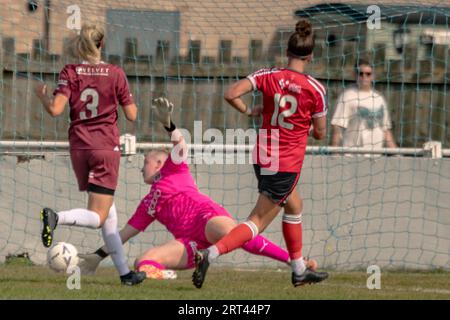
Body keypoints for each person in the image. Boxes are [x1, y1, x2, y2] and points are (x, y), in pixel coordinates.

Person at [77, 98, 317, 279]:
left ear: (160, 163)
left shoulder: (173, 169)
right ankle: (166, 277)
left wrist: (169, 125)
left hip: (207, 219)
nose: (142, 169)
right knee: (144, 262)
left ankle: (295, 262)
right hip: (189, 244)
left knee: (227, 232)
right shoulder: (147, 204)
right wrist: (97, 256)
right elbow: (123, 235)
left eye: (145, 162)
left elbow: (181, 143)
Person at [192, 19, 329, 289]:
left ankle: (299, 269)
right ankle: (211, 253)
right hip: (286, 162)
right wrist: (306, 127)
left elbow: (231, 93)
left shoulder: (267, 75)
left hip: (263, 155)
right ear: (311, 55)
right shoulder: (316, 89)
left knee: (294, 205)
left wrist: (249, 110)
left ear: (287, 52)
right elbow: (321, 132)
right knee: (257, 220)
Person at [34, 24, 145, 285]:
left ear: (78, 46)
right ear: (102, 44)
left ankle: (125, 274)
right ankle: (55, 217)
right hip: (105, 148)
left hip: (80, 149)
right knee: (97, 217)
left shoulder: (69, 72)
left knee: (109, 217)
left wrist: (42, 96)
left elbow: (55, 110)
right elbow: (132, 115)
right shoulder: (115, 73)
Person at [330, 58, 397, 150]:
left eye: (368, 74)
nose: (364, 77)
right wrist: (335, 153)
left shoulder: (379, 99)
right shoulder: (347, 96)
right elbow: (337, 127)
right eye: (360, 74)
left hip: (375, 156)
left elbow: (386, 130)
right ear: (355, 75)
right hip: (352, 155)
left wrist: (396, 154)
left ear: (373, 76)